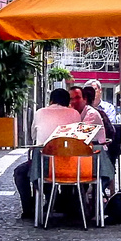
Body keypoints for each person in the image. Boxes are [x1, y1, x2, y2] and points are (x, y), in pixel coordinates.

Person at [13, 87, 80, 219]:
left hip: (43, 166)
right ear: (68, 103)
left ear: (51, 101)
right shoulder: (75, 114)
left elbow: (34, 136)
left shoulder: (39, 113)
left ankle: (29, 209)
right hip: (70, 168)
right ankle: (62, 203)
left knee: (20, 172)